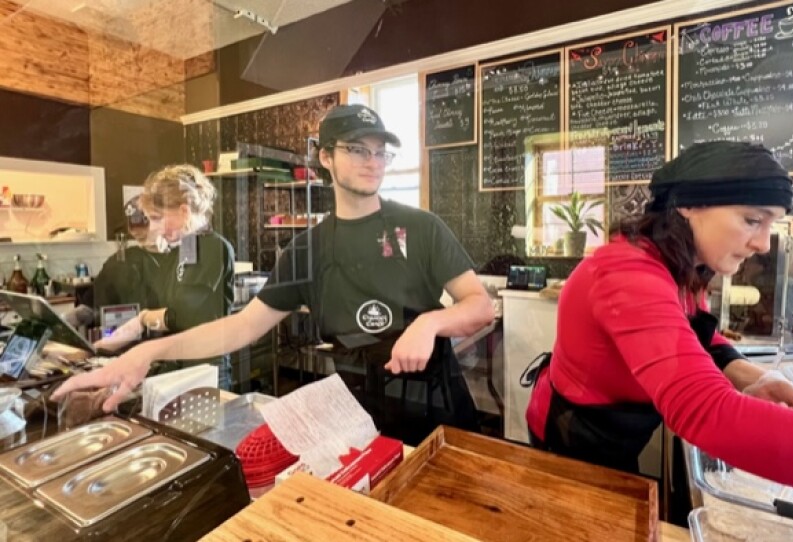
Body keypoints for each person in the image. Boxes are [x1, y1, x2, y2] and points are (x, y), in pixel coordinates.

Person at [53, 105, 494, 436]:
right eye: (357, 149)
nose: (372, 161)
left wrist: (430, 322)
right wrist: (145, 352)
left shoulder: (418, 227)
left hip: (438, 413)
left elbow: (480, 306)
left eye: (381, 152)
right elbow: (240, 328)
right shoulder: (308, 249)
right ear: (325, 157)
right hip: (357, 415)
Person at [525, 141, 793, 507]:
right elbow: (707, 413)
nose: (762, 244)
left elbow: (698, 334)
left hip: (617, 430)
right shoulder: (626, 272)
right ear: (689, 205)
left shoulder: (683, 265)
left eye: (771, 224)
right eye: (753, 220)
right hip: (574, 436)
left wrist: (754, 377)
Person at [92, 165, 235, 388]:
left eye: (158, 218)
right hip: (177, 364)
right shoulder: (186, 247)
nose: (156, 228)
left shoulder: (213, 248)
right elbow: (169, 304)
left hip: (204, 369)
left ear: (184, 211)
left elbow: (185, 315)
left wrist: (142, 320)